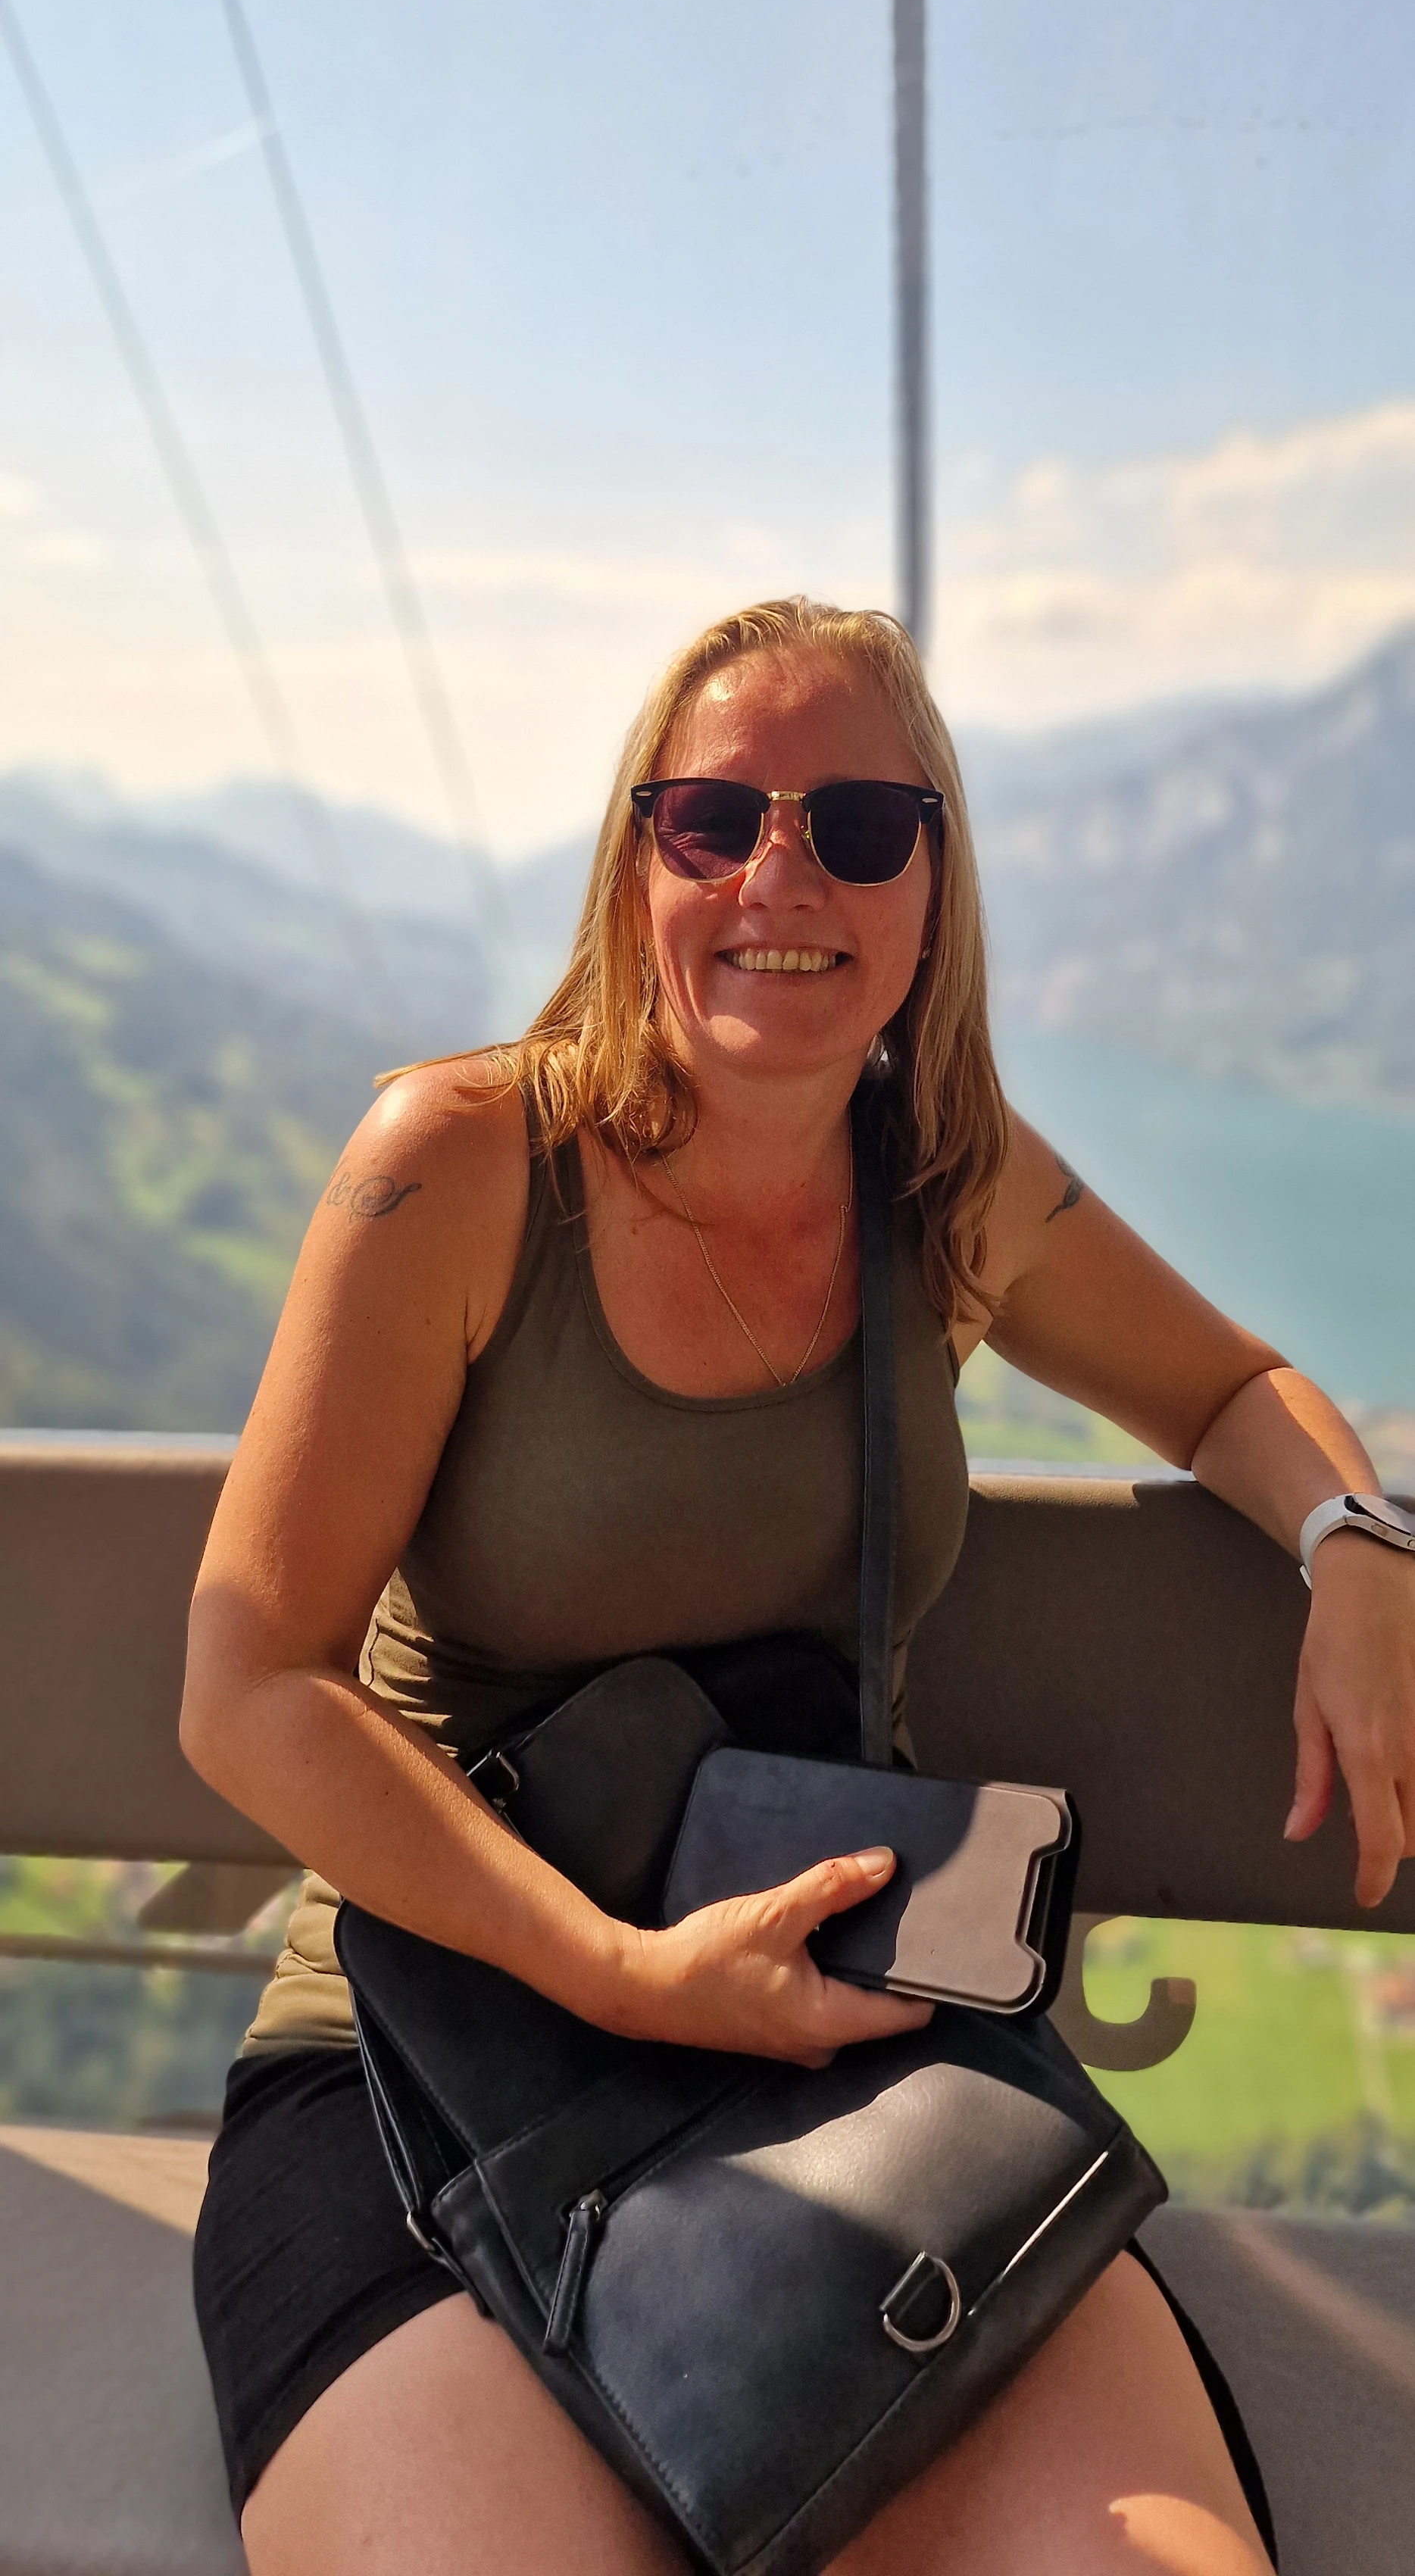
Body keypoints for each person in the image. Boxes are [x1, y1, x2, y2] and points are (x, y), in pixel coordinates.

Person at [185, 595, 1415, 2576]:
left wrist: (1356, 1550)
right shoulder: (463, 1162)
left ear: (932, 887)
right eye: (712, 819)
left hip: (840, 2026)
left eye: (858, 825)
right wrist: (616, 1972)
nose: (783, 875)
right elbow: (247, 1681)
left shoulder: (946, 1180)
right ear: (635, 864)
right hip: (430, 2044)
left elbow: (1229, 1391)